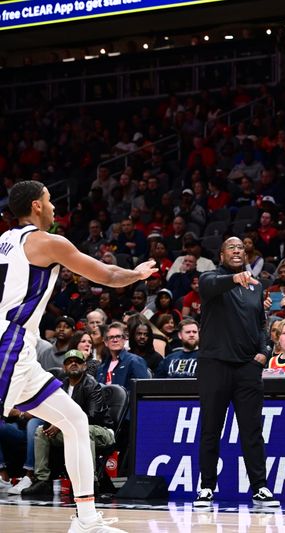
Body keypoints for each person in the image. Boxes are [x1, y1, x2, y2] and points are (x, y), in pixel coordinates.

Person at [0, 180, 155, 532]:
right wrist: (138, 274)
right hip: (7, 343)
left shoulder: (4, 241)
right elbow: (111, 276)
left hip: (21, 350)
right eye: (50, 200)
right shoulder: (46, 242)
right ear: (36, 206)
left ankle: (86, 520)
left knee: (74, 421)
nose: (54, 207)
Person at [194, 237, 279, 507]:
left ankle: (260, 487)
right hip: (214, 365)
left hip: (247, 369)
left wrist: (263, 354)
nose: (237, 251)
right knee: (210, 430)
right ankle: (207, 487)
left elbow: (261, 326)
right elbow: (208, 286)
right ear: (221, 254)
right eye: (231, 247)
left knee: (252, 431)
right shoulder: (211, 279)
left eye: (241, 248)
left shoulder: (256, 287)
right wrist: (235, 279)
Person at [21, 350, 115, 497]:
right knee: (41, 431)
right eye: (69, 362)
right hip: (69, 429)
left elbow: (92, 417)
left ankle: (89, 483)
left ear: (84, 366)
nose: (73, 364)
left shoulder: (91, 385)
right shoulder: (60, 386)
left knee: (84, 431)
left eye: (77, 361)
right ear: (64, 367)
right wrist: (56, 423)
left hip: (101, 431)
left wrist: (61, 424)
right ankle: (42, 481)